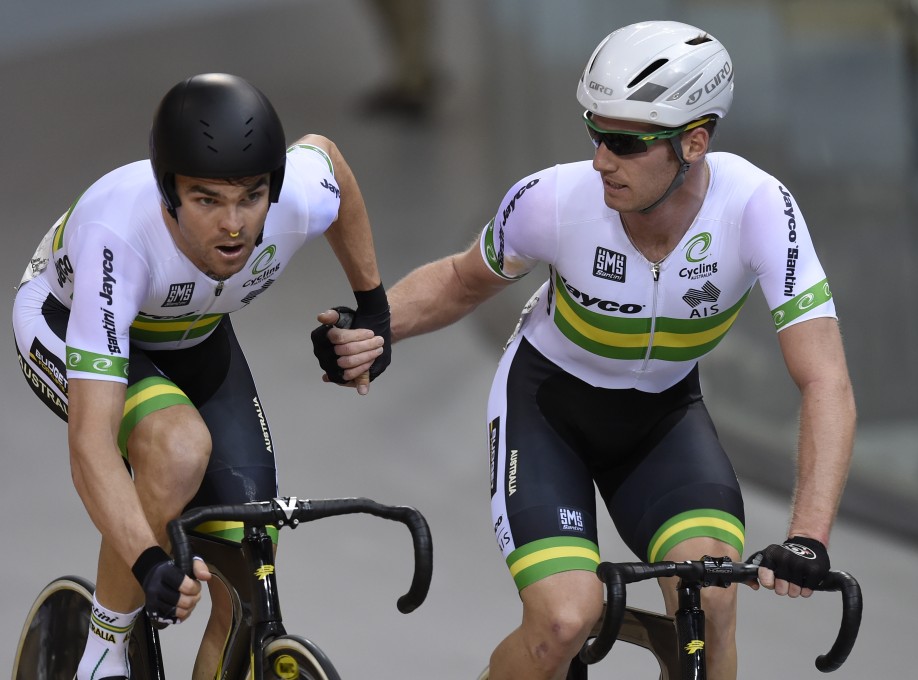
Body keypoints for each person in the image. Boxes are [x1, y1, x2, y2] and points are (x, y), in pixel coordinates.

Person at [321, 20, 856, 680]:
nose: (603, 158)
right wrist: (372, 329)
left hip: (663, 421)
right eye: (596, 132)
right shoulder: (554, 200)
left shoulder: (758, 209)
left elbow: (825, 378)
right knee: (564, 621)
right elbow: (462, 280)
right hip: (549, 411)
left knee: (711, 602)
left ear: (695, 141)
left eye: (627, 142)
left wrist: (807, 534)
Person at [12, 73, 390, 680]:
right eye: (207, 199)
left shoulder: (297, 194)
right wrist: (147, 564)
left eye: (249, 196)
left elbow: (333, 164)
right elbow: (90, 446)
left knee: (248, 561)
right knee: (175, 447)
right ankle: (102, 655)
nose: (234, 225)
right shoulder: (118, 239)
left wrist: (373, 308)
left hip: (195, 332)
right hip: (68, 320)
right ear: (168, 194)